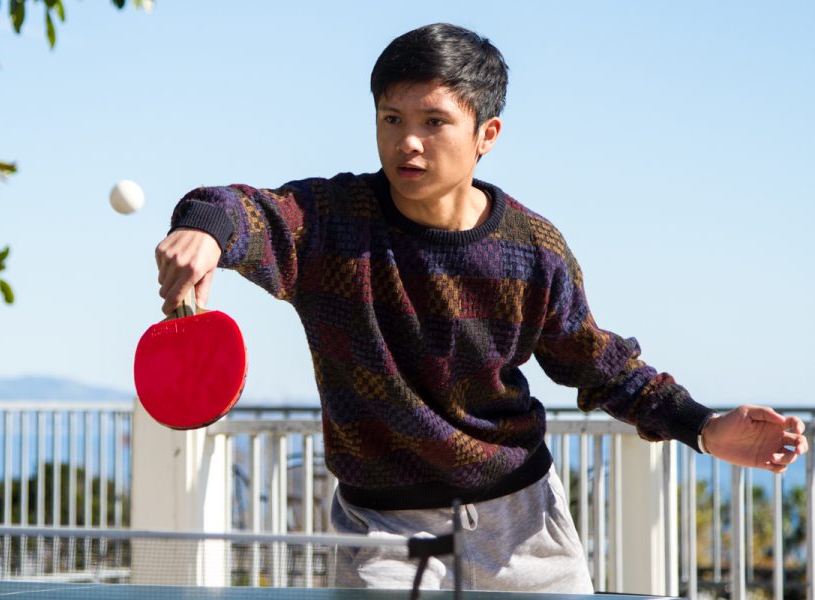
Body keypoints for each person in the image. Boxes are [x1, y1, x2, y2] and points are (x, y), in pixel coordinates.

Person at [154, 23, 808, 593]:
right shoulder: (330, 223)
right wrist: (207, 230)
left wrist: (700, 424)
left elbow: (597, 363)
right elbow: (245, 209)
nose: (409, 142)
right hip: (385, 534)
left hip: (523, 526)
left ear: (486, 133)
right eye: (392, 119)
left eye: (433, 122)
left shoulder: (531, 250)